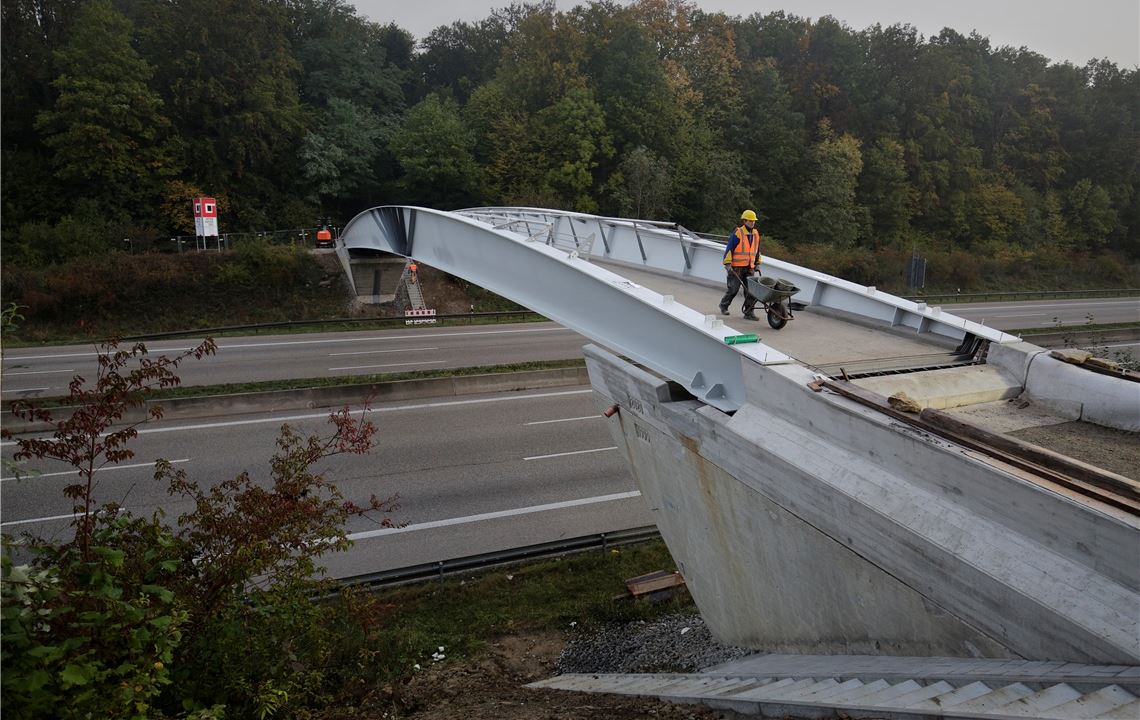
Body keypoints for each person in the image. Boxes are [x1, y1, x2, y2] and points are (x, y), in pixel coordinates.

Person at [719, 209, 762, 320]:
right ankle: (723, 306)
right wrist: (728, 264)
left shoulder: (756, 234)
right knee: (733, 289)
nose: (752, 222)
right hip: (736, 267)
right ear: (744, 221)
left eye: (753, 221)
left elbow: (757, 250)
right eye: (750, 220)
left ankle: (748, 313)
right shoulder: (738, 233)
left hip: (749, 267)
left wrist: (757, 263)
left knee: (751, 291)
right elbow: (729, 249)